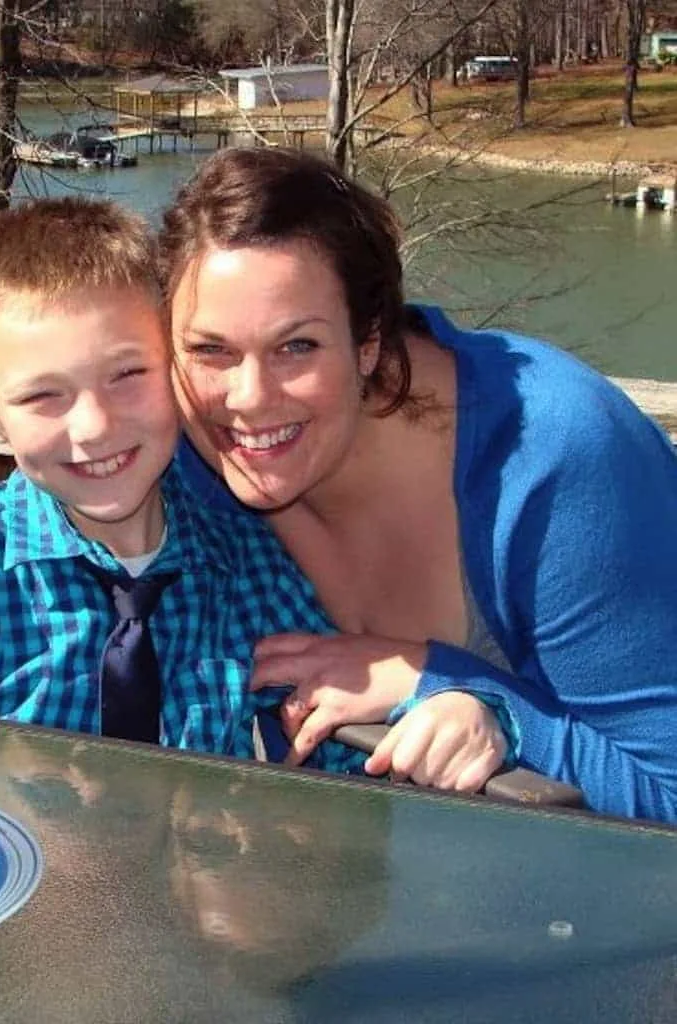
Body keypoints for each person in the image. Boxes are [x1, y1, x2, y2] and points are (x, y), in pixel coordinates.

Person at [160, 146, 677, 821]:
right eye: (209, 351)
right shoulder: (184, 449)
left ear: (367, 339)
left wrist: (437, 677)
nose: (248, 399)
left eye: (297, 347)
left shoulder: (550, 462)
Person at [0, 197, 357, 767]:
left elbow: (341, 732)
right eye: (43, 395)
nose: (94, 426)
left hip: (195, 854)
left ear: (179, 368)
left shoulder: (244, 561)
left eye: (128, 374)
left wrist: (436, 702)